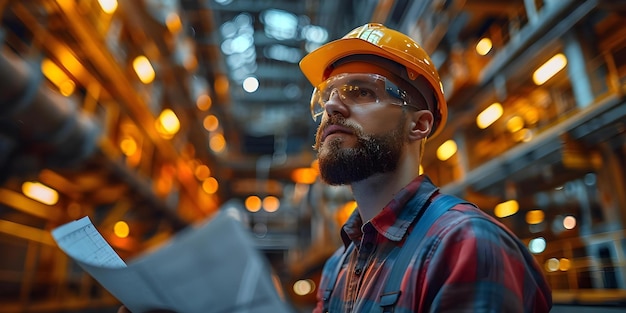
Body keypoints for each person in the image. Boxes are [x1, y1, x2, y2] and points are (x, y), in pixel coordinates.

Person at [299, 23, 552, 312]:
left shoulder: (464, 244)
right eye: (326, 95)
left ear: (419, 125)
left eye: (361, 92)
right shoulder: (337, 268)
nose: (332, 106)